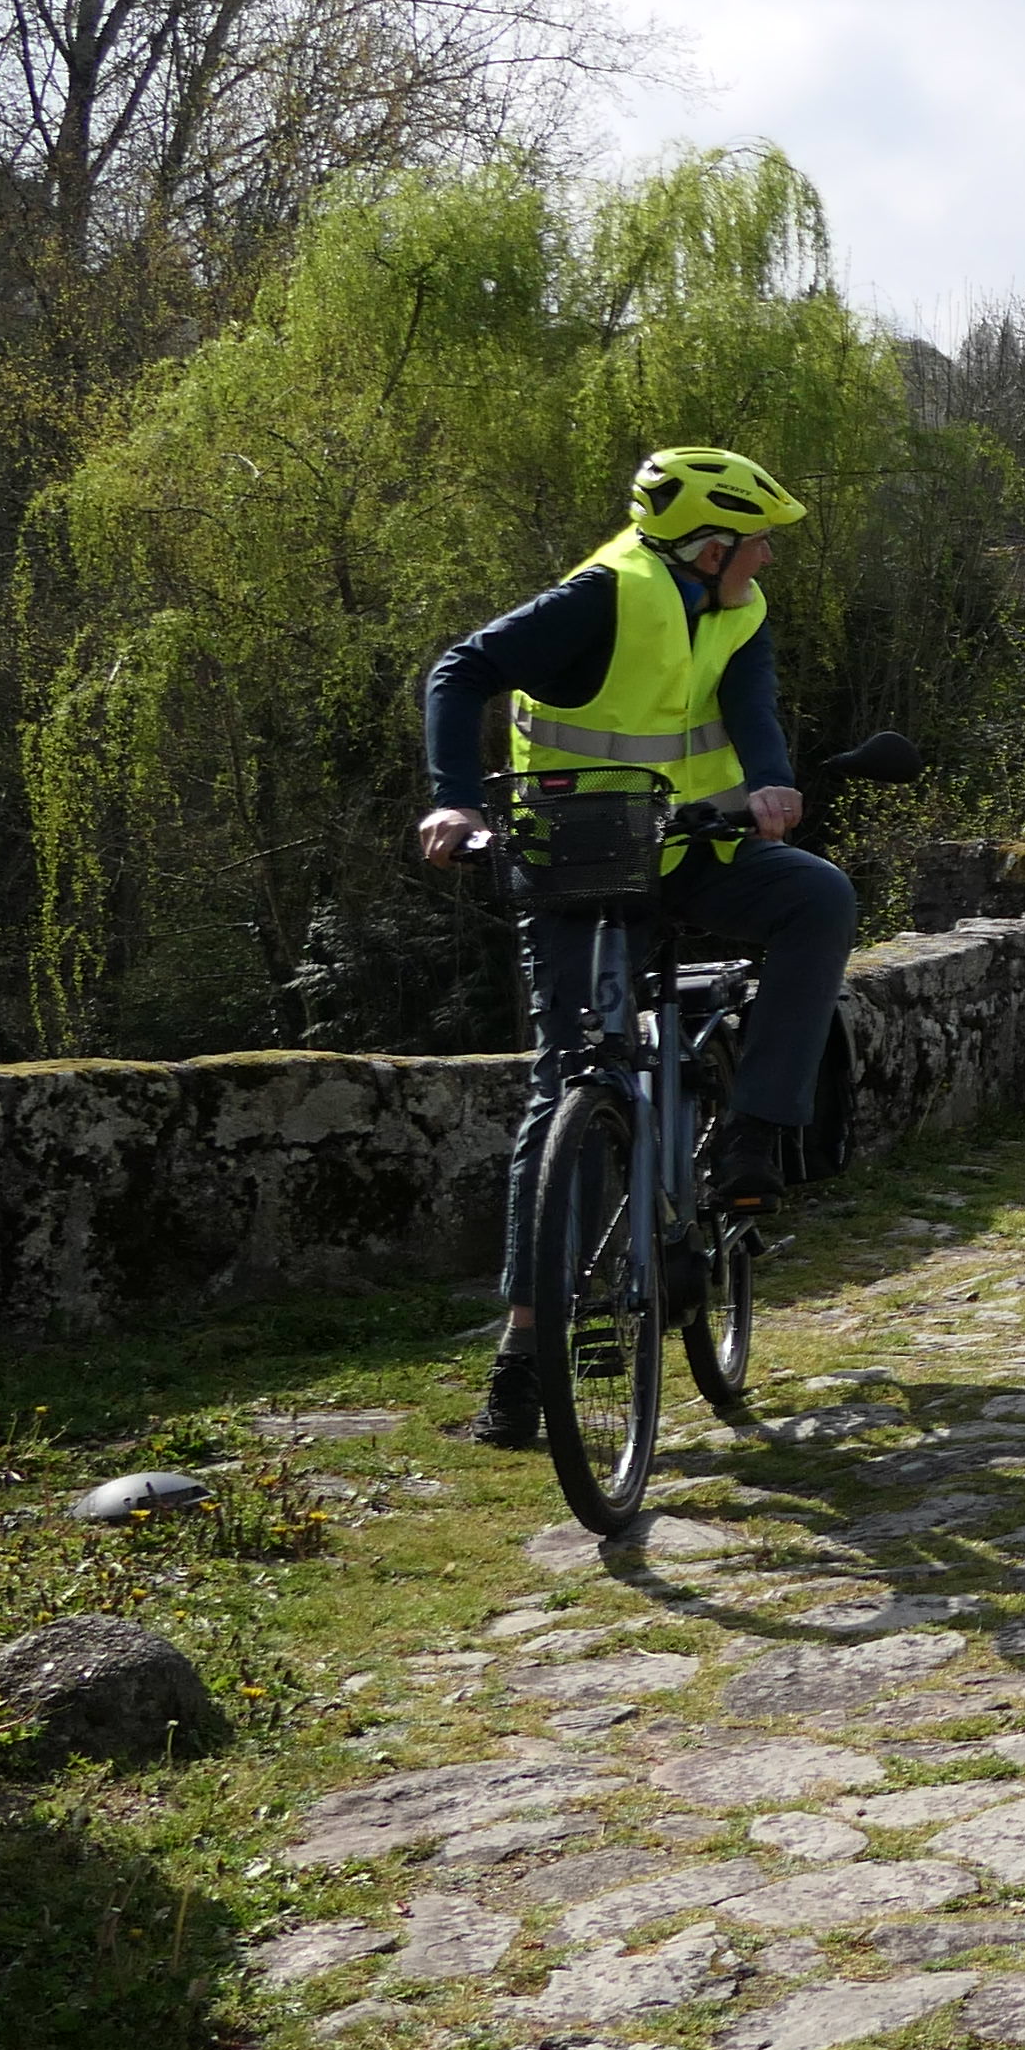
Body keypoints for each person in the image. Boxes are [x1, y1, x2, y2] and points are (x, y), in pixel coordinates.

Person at [412, 446, 855, 1448]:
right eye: (758, 541)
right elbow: (462, 669)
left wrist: (774, 781)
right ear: (709, 544)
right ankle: (523, 1355)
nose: (769, 558)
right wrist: (450, 793)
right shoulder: (605, 593)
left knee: (817, 898)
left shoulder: (735, 610)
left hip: (690, 847)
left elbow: (751, 713)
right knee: (565, 1077)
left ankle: (753, 1129)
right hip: (571, 862)